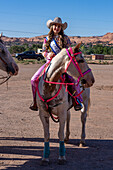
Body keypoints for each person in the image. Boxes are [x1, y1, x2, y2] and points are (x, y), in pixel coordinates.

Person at [30, 17, 83, 111]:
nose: (57, 28)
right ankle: (35, 102)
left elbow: (69, 52)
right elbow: (43, 51)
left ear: (61, 28)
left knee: (72, 80)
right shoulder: (47, 39)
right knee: (34, 79)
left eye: (59, 26)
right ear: (52, 27)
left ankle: (76, 101)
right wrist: (47, 54)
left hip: (62, 65)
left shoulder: (65, 38)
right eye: (55, 25)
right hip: (49, 63)